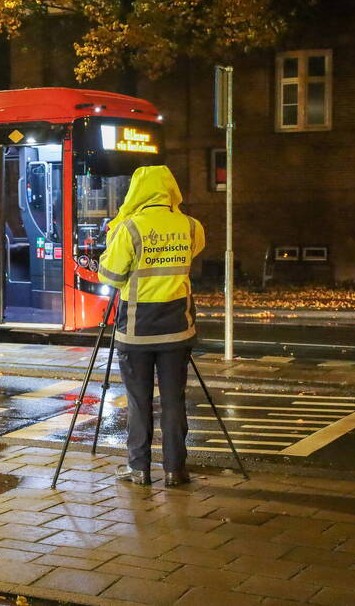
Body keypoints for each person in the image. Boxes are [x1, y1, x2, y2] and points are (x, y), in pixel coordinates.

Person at [98, 165, 205, 487]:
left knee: (139, 401)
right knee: (174, 401)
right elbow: (191, 254)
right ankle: (175, 470)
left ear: (136, 192)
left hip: (137, 330)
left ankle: (139, 469)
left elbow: (111, 277)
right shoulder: (190, 226)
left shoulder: (129, 229)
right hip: (177, 327)